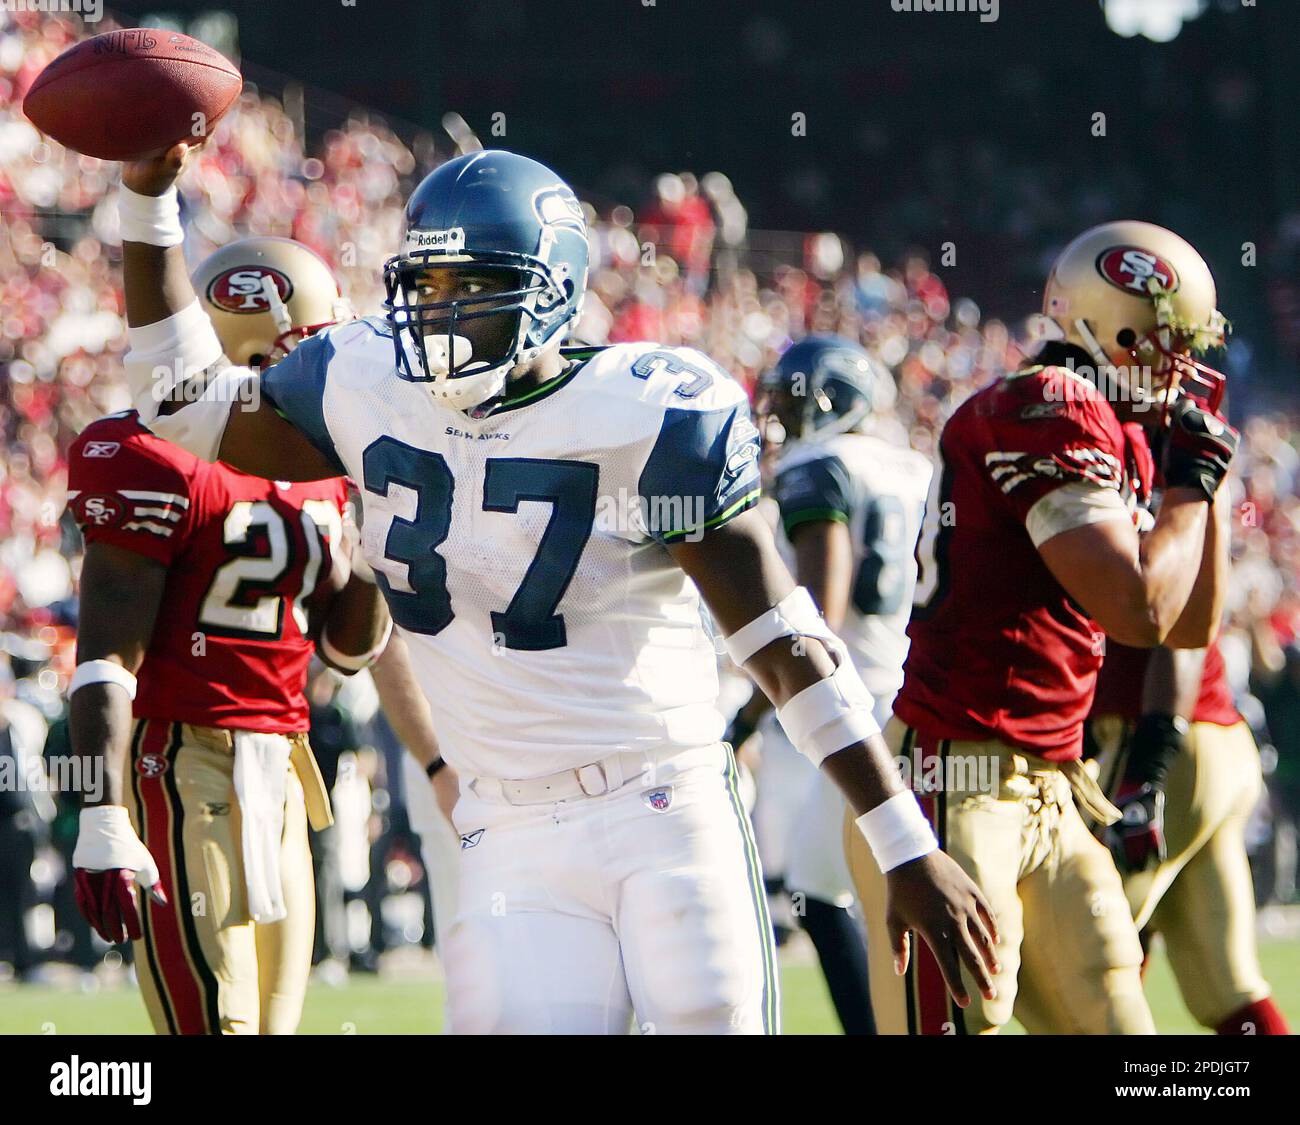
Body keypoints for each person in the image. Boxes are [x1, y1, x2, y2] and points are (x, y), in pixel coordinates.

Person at [111, 145, 998, 1035]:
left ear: (550, 292)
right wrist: (149, 200)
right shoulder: (362, 378)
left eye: (473, 285)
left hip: (664, 805)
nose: (441, 314)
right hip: (510, 827)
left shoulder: (647, 412)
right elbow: (182, 399)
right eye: (428, 285)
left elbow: (781, 641)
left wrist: (904, 845)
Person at [846, 220, 1240, 1034]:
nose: (1185, 367)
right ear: (1110, 324)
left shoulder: (1120, 428)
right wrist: (1189, 492)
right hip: (955, 775)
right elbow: (1137, 609)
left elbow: (1189, 623)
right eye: (1170, 342)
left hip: (1052, 785)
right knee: (958, 1020)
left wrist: (1204, 489)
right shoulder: (1046, 405)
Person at [66, 230, 392, 1034]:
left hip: (282, 765)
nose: (329, 362)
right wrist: (100, 811)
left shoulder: (324, 462)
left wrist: (389, 533)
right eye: (313, 341)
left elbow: (347, 649)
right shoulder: (150, 452)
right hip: (180, 761)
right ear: (255, 331)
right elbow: (105, 656)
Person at [729, 335, 932, 1034]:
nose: (782, 416)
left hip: (855, 701)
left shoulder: (823, 464)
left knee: (821, 892)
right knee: (894, 885)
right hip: (918, 697)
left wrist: (750, 713)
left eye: (796, 399)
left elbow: (818, 615)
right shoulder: (916, 468)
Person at [1087, 638, 1290, 1035]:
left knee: (1077, 957)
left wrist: (1149, 768)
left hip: (1161, 743)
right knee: (1227, 990)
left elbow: (1181, 625)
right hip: (1209, 740)